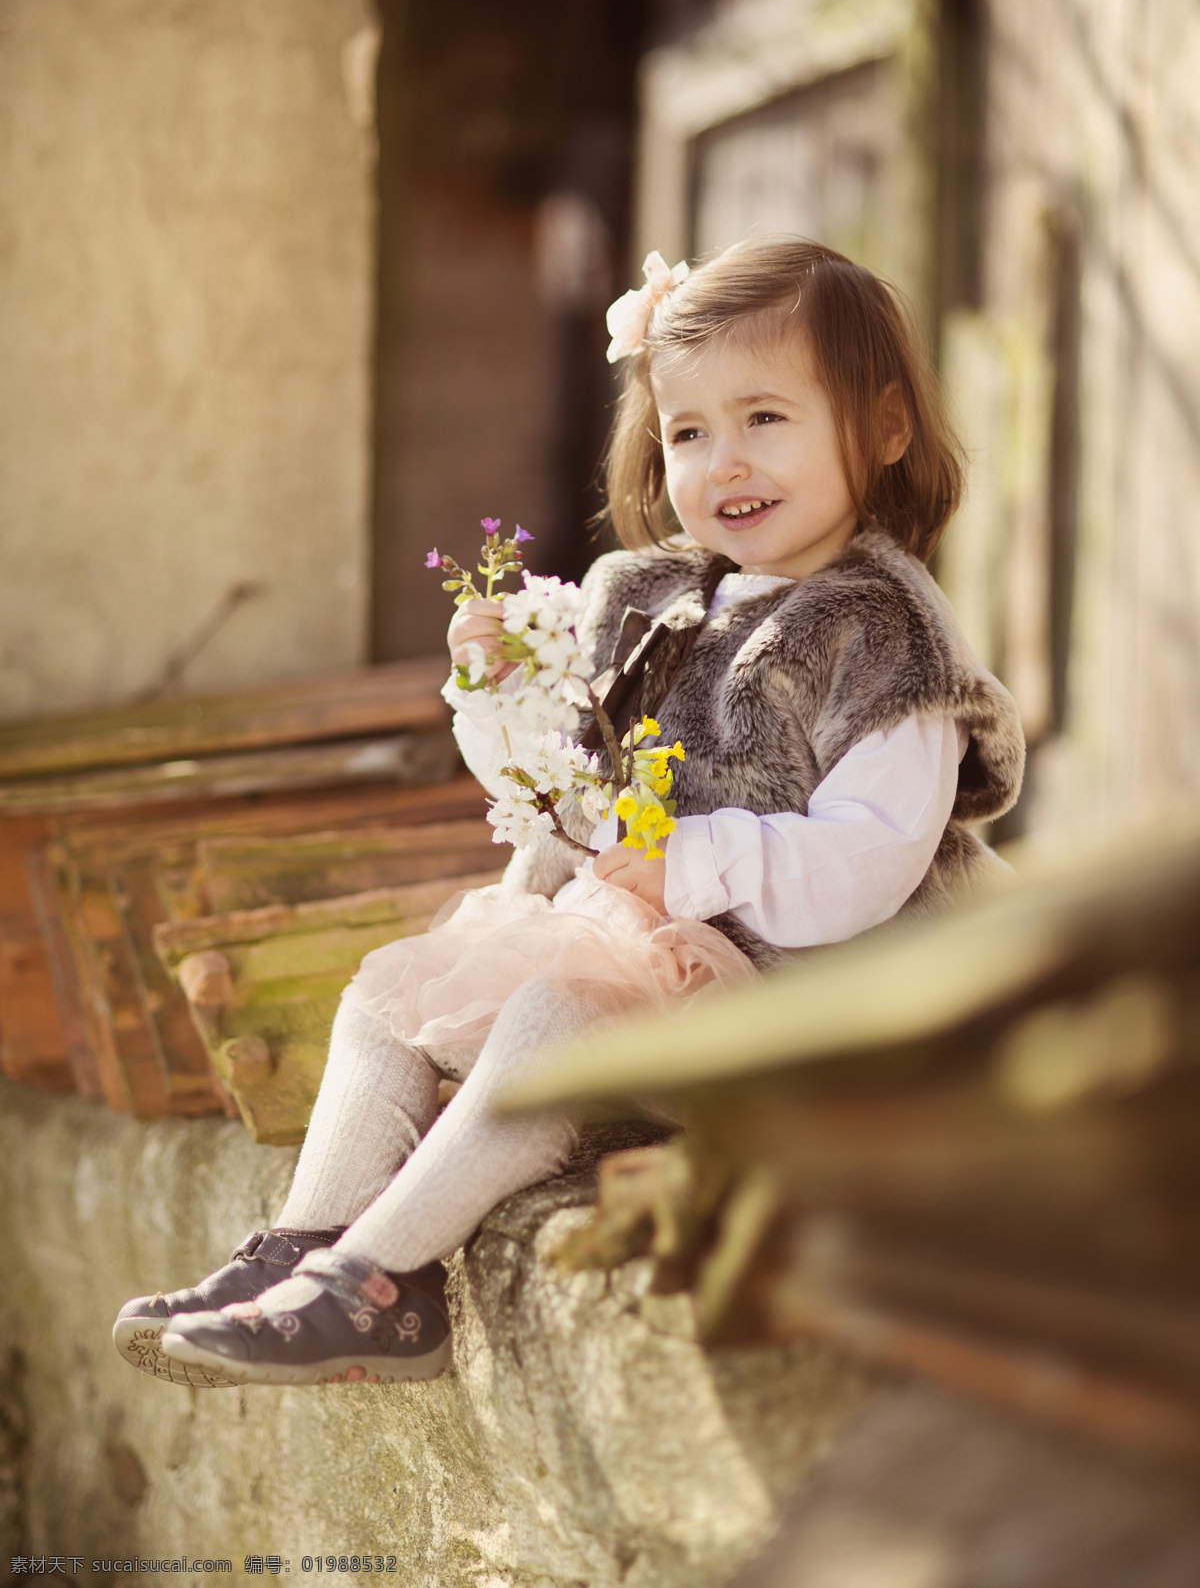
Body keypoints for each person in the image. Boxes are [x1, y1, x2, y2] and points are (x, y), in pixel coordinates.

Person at [113, 237, 1024, 1389]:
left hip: (817, 1017)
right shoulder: (650, 597)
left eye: (766, 418)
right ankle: (305, 1244)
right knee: (391, 996)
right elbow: (566, 795)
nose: (724, 461)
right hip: (653, 962)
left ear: (885, 428)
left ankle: (380, 1284)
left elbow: (868, 865)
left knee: (549, 1017)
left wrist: (691, 856)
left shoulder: (882, 632)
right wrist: (495, 705)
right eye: (690, 431)